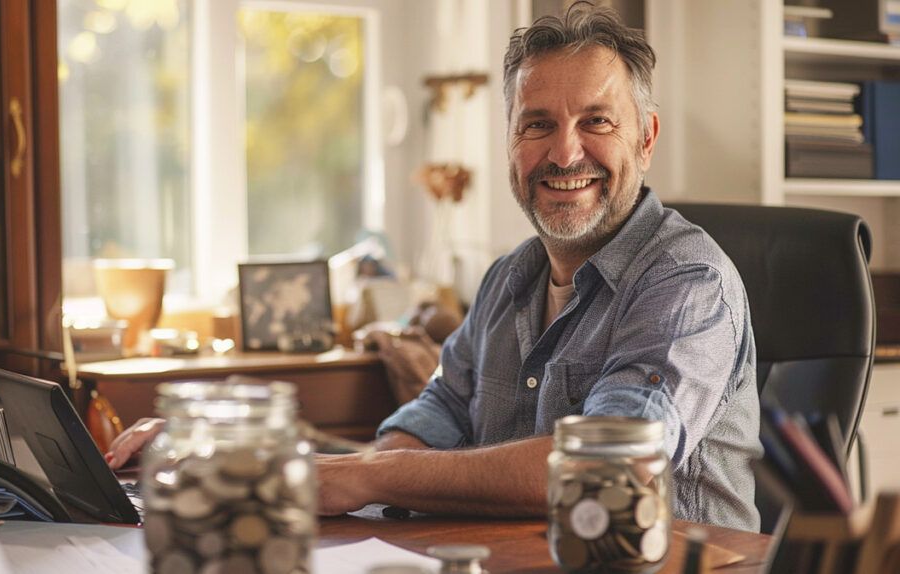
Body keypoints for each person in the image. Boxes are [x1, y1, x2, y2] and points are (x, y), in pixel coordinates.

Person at [107, 3, 762, 532]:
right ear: (510, 140)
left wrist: (358, 475)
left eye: (596, 121)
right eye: (538, 124)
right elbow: (427, 425)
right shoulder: (510, 279)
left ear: (645, 138)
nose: (565, 152)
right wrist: (242, 461)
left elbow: (609, 470)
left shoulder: (686, 283)